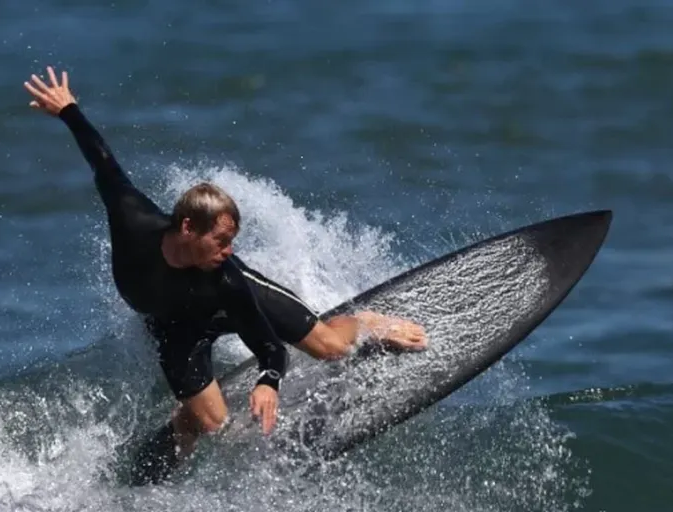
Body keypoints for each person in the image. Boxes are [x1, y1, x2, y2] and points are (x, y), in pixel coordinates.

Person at [23, 66, 428, 482]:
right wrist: (69, 110)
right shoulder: (133, 220)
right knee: (214, 424)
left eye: (232, 240)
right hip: (175, 325)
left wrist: (269, 381)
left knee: (328, 347)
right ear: (186, 229)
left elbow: (269, 346)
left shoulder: (229, 278)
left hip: (220, 305)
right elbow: (103, 162)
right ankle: (185, 422)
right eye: (220, 241)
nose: (229, 251)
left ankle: (368, 323)